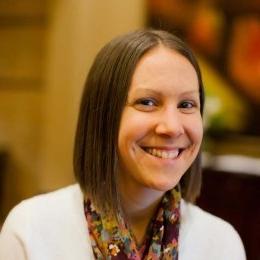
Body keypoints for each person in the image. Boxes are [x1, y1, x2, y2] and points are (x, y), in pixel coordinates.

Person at [0, 29, 246, 260]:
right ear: (103, 116)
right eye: (148, 102)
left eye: (186, 105)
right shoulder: (31, 230)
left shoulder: (221, 243)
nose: (172, 127)